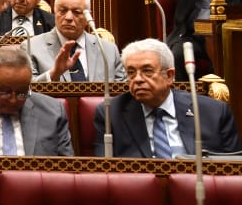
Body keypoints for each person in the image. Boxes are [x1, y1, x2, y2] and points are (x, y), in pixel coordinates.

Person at [94, 38, 241, 158]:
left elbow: (233, 169)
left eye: (147, 71)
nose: (137, 79)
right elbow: (104, 172)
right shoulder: (110, 113)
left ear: (169, 76)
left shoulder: (213, 112)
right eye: (131, 72)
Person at [27, 0, 126, 82]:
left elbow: (121, 89)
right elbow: (27, 88)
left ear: (88, 17)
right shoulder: (31, 47)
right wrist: (53, 74)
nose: (68, 17)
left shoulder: (108, 50)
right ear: (55, 13)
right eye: (63, 11)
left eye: (76, 12)